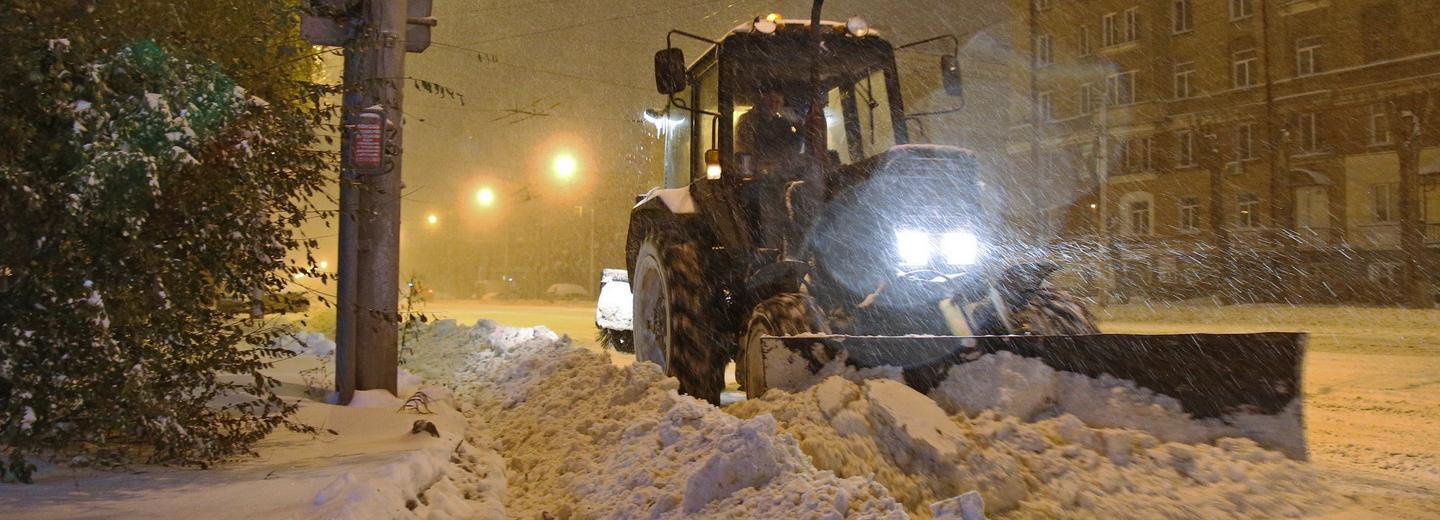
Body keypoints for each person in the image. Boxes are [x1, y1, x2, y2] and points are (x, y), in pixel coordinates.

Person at [736, 83, 804, 174]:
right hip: (755, 172)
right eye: (770, 101)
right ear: (761, 100)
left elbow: (792, 150)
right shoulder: (747, 120)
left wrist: (798, 127)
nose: (773, 105)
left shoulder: (783, 123)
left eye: (777, 102)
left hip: (779, 173)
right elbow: (747, 148)